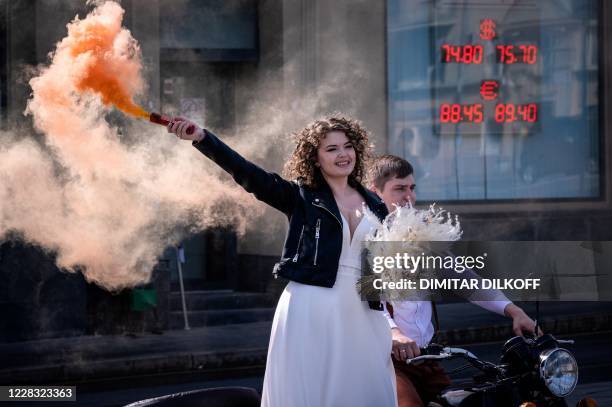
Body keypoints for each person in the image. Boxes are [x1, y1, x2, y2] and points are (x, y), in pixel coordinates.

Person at [168, 116, 398, 407]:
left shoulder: (376, 204)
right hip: (312, 306)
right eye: (331, 149)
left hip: (364, 312)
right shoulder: (300, 197)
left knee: (366, 388)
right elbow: (248, 174)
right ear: (315, 158)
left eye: (348, 146)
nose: (343, 154)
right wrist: (203, 137)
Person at [367, 154, 540, 407]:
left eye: (412, 188)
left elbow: (466, 280)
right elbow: (368, 300)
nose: (409, 197)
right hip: (382, 359)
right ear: (375, 192)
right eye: (399, 189)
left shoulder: (421, 234)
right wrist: (394, 333)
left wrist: (514, 310)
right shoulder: (365, 236)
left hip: (424, 359)